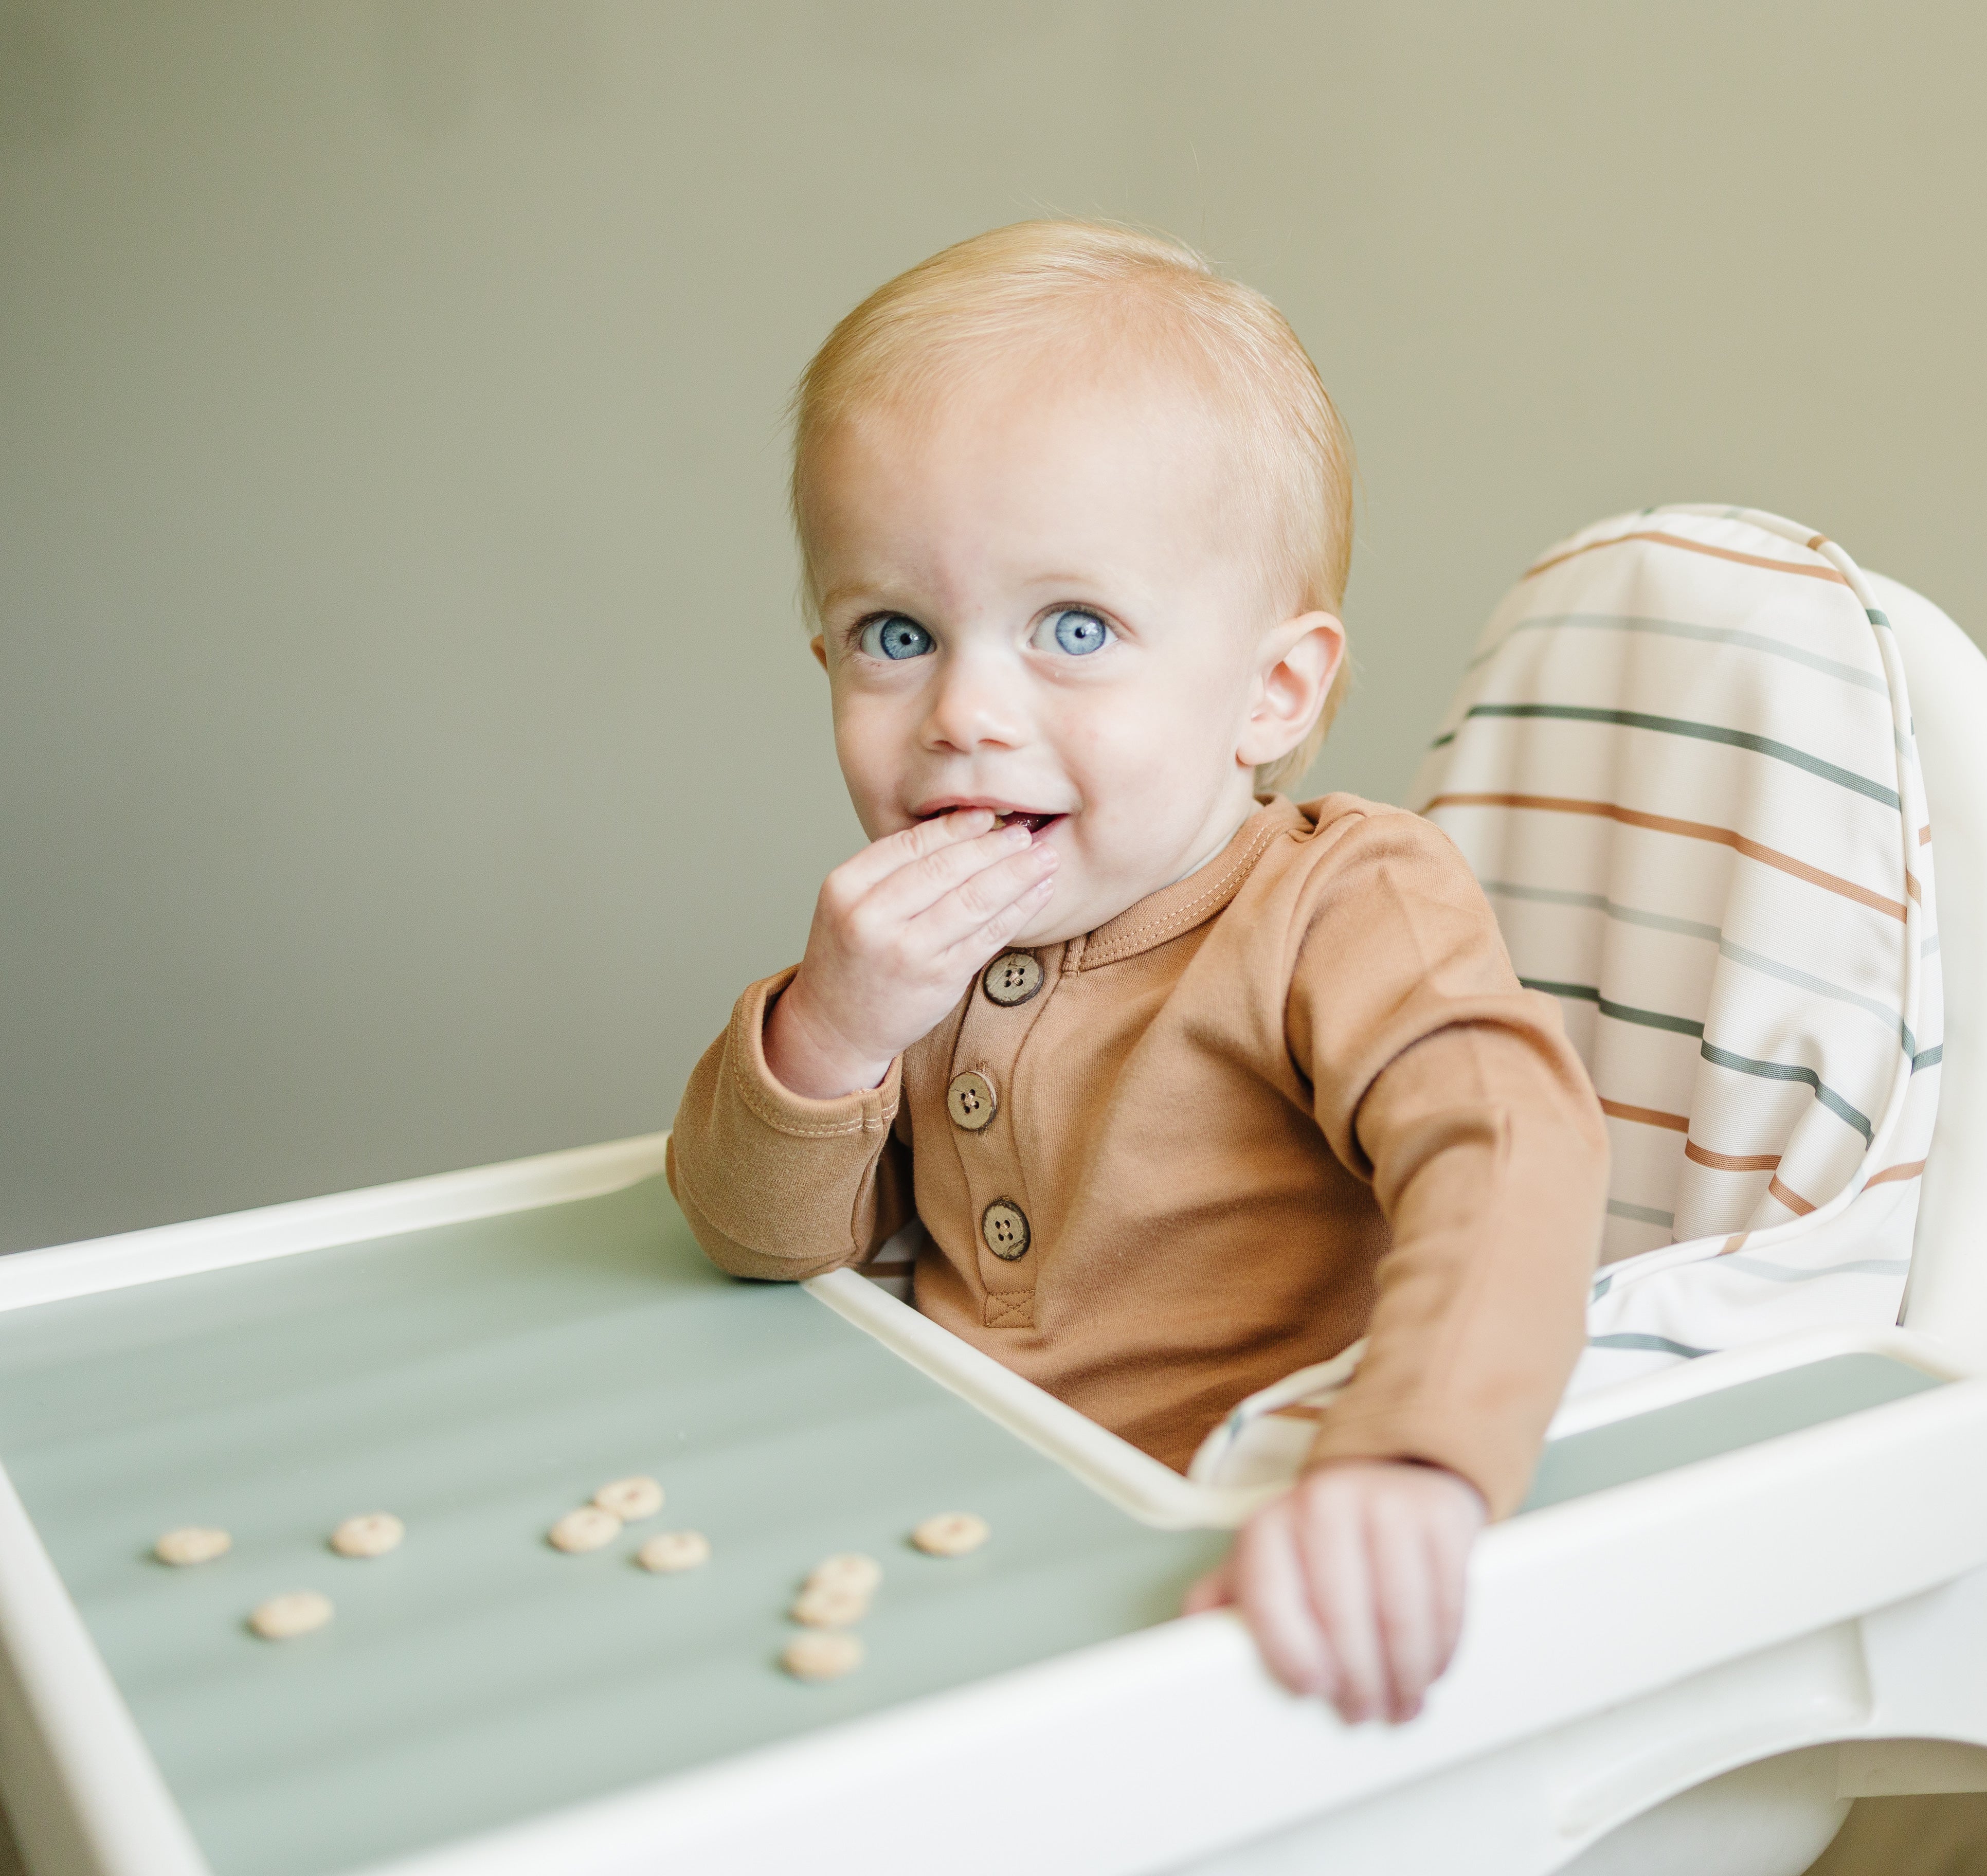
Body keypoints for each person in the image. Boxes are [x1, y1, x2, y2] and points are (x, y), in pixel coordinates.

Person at [666, 221, 1607, 1724]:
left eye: (1076, 628)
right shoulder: (930, 939)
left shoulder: (1342, 901)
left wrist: (1412, 1458)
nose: (964, 713)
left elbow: (1514, 1158)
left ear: (1270, 689)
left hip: (1237, 1578)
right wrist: (831, 1029)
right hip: (960, 1530)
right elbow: (749, 1238)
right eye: (894, 633)